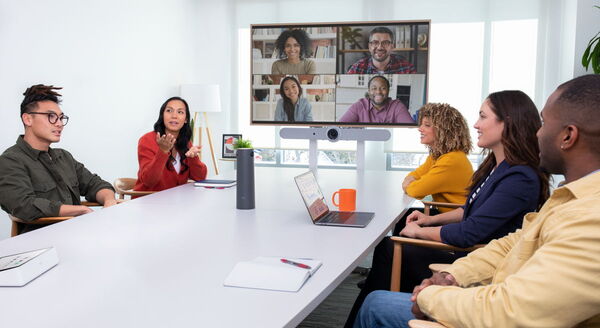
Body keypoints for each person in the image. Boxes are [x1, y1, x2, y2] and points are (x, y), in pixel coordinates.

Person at [354, 74, 600, 328]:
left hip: (489, 290)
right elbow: (513, 242)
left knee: (377, 298)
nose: (537, 133)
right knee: (384, 278)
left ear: (568, 136)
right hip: (489, 278)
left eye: (544, 123)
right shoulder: (567, 195)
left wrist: (432, 297)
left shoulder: (587, 218)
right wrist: (452, 276)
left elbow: (511, 310)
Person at [0, 84, 117, 234]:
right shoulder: (10, 161)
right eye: (51, 117)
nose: (59, 124)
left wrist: (109, 200)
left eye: (61, 118)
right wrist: (79, 210)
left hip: (78, 235)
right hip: (40, 243)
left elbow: (95, 184)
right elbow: (23, 205)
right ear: (28, 119)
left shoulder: (64, 156)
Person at [394, 103, 473, 235]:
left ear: (443, 130)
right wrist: (411, 181)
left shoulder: (451, 160)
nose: (420, 129)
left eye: (427, 125)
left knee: (388, 242)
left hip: (456, 225)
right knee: (404, 219)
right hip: (449, 217)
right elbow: (414, 174)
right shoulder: (439, 156)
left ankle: (396, 249)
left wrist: (411, 183)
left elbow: (416, 190)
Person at [134, 97, 207, 192]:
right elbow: (149, 181)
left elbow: (200, 177)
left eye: (180, 112)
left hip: (176, 202)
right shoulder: (147, 140)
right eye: (169, 111)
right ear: (162, 116)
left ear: (185, 119)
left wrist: (193, 158)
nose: (174, 116)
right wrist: (162, 151)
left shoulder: (185, 142)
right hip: (149, 201)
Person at [339, 75, 414, 124]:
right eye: (374, 88)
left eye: (383, 88)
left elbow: (410, 129)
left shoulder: (397, 106)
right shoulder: (359, 106)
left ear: (388, 90)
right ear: (369, 91)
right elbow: (341, 126)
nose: (378, 92)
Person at [347, 27, 416, 74]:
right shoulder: (356, 69)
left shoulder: (408, 69)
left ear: (392, 46)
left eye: (385, 43)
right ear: (369, 47)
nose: (380, 47)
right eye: (375, 42)